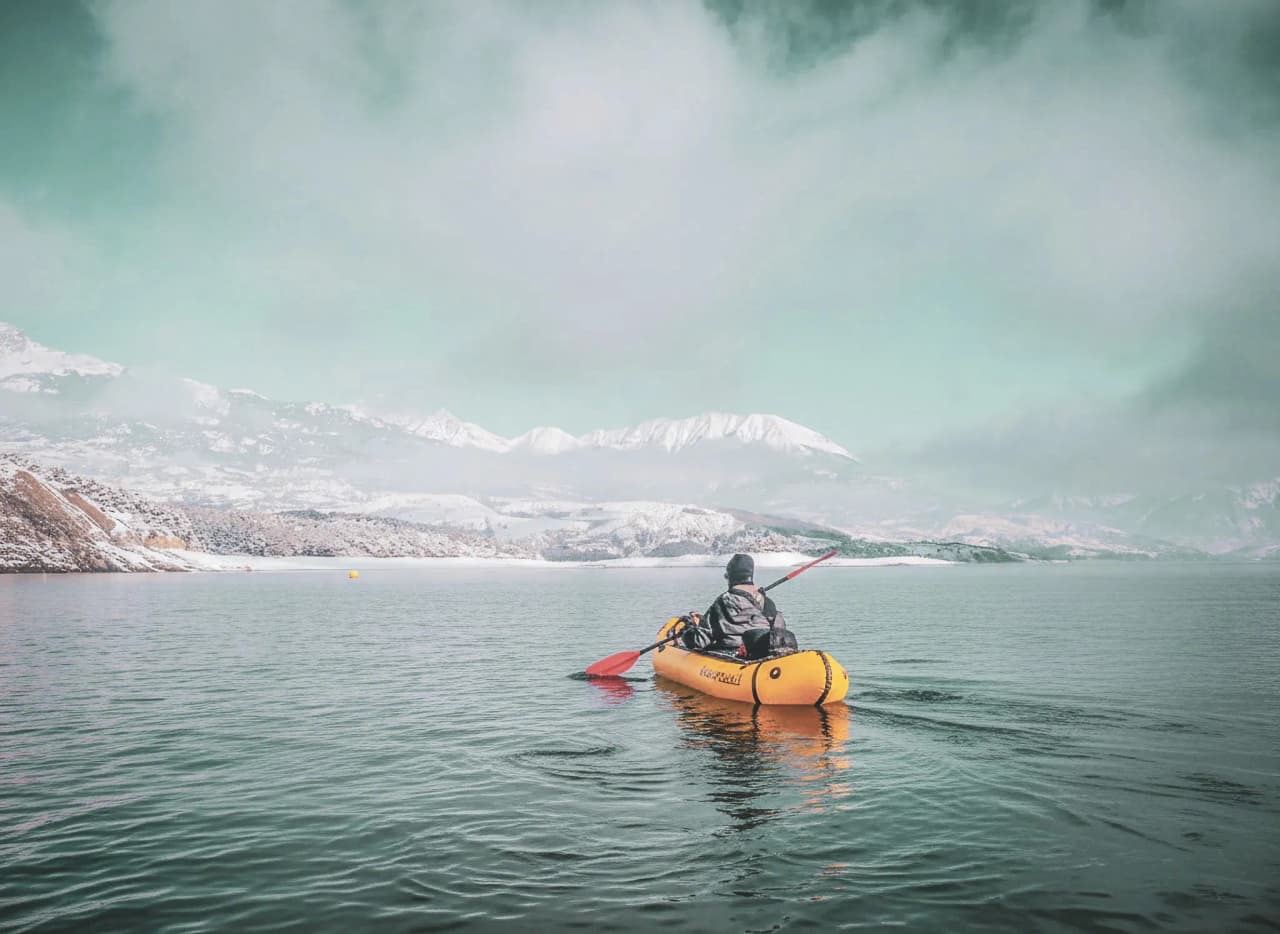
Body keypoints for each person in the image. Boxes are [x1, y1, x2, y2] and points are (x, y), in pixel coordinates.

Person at [680, 553, 796, 659]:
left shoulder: (724, 602)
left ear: (731, 577)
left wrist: (687, 631)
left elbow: (699, 641)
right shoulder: (768, 603)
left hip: (731, 657)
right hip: (763, 656)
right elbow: (780, 632)